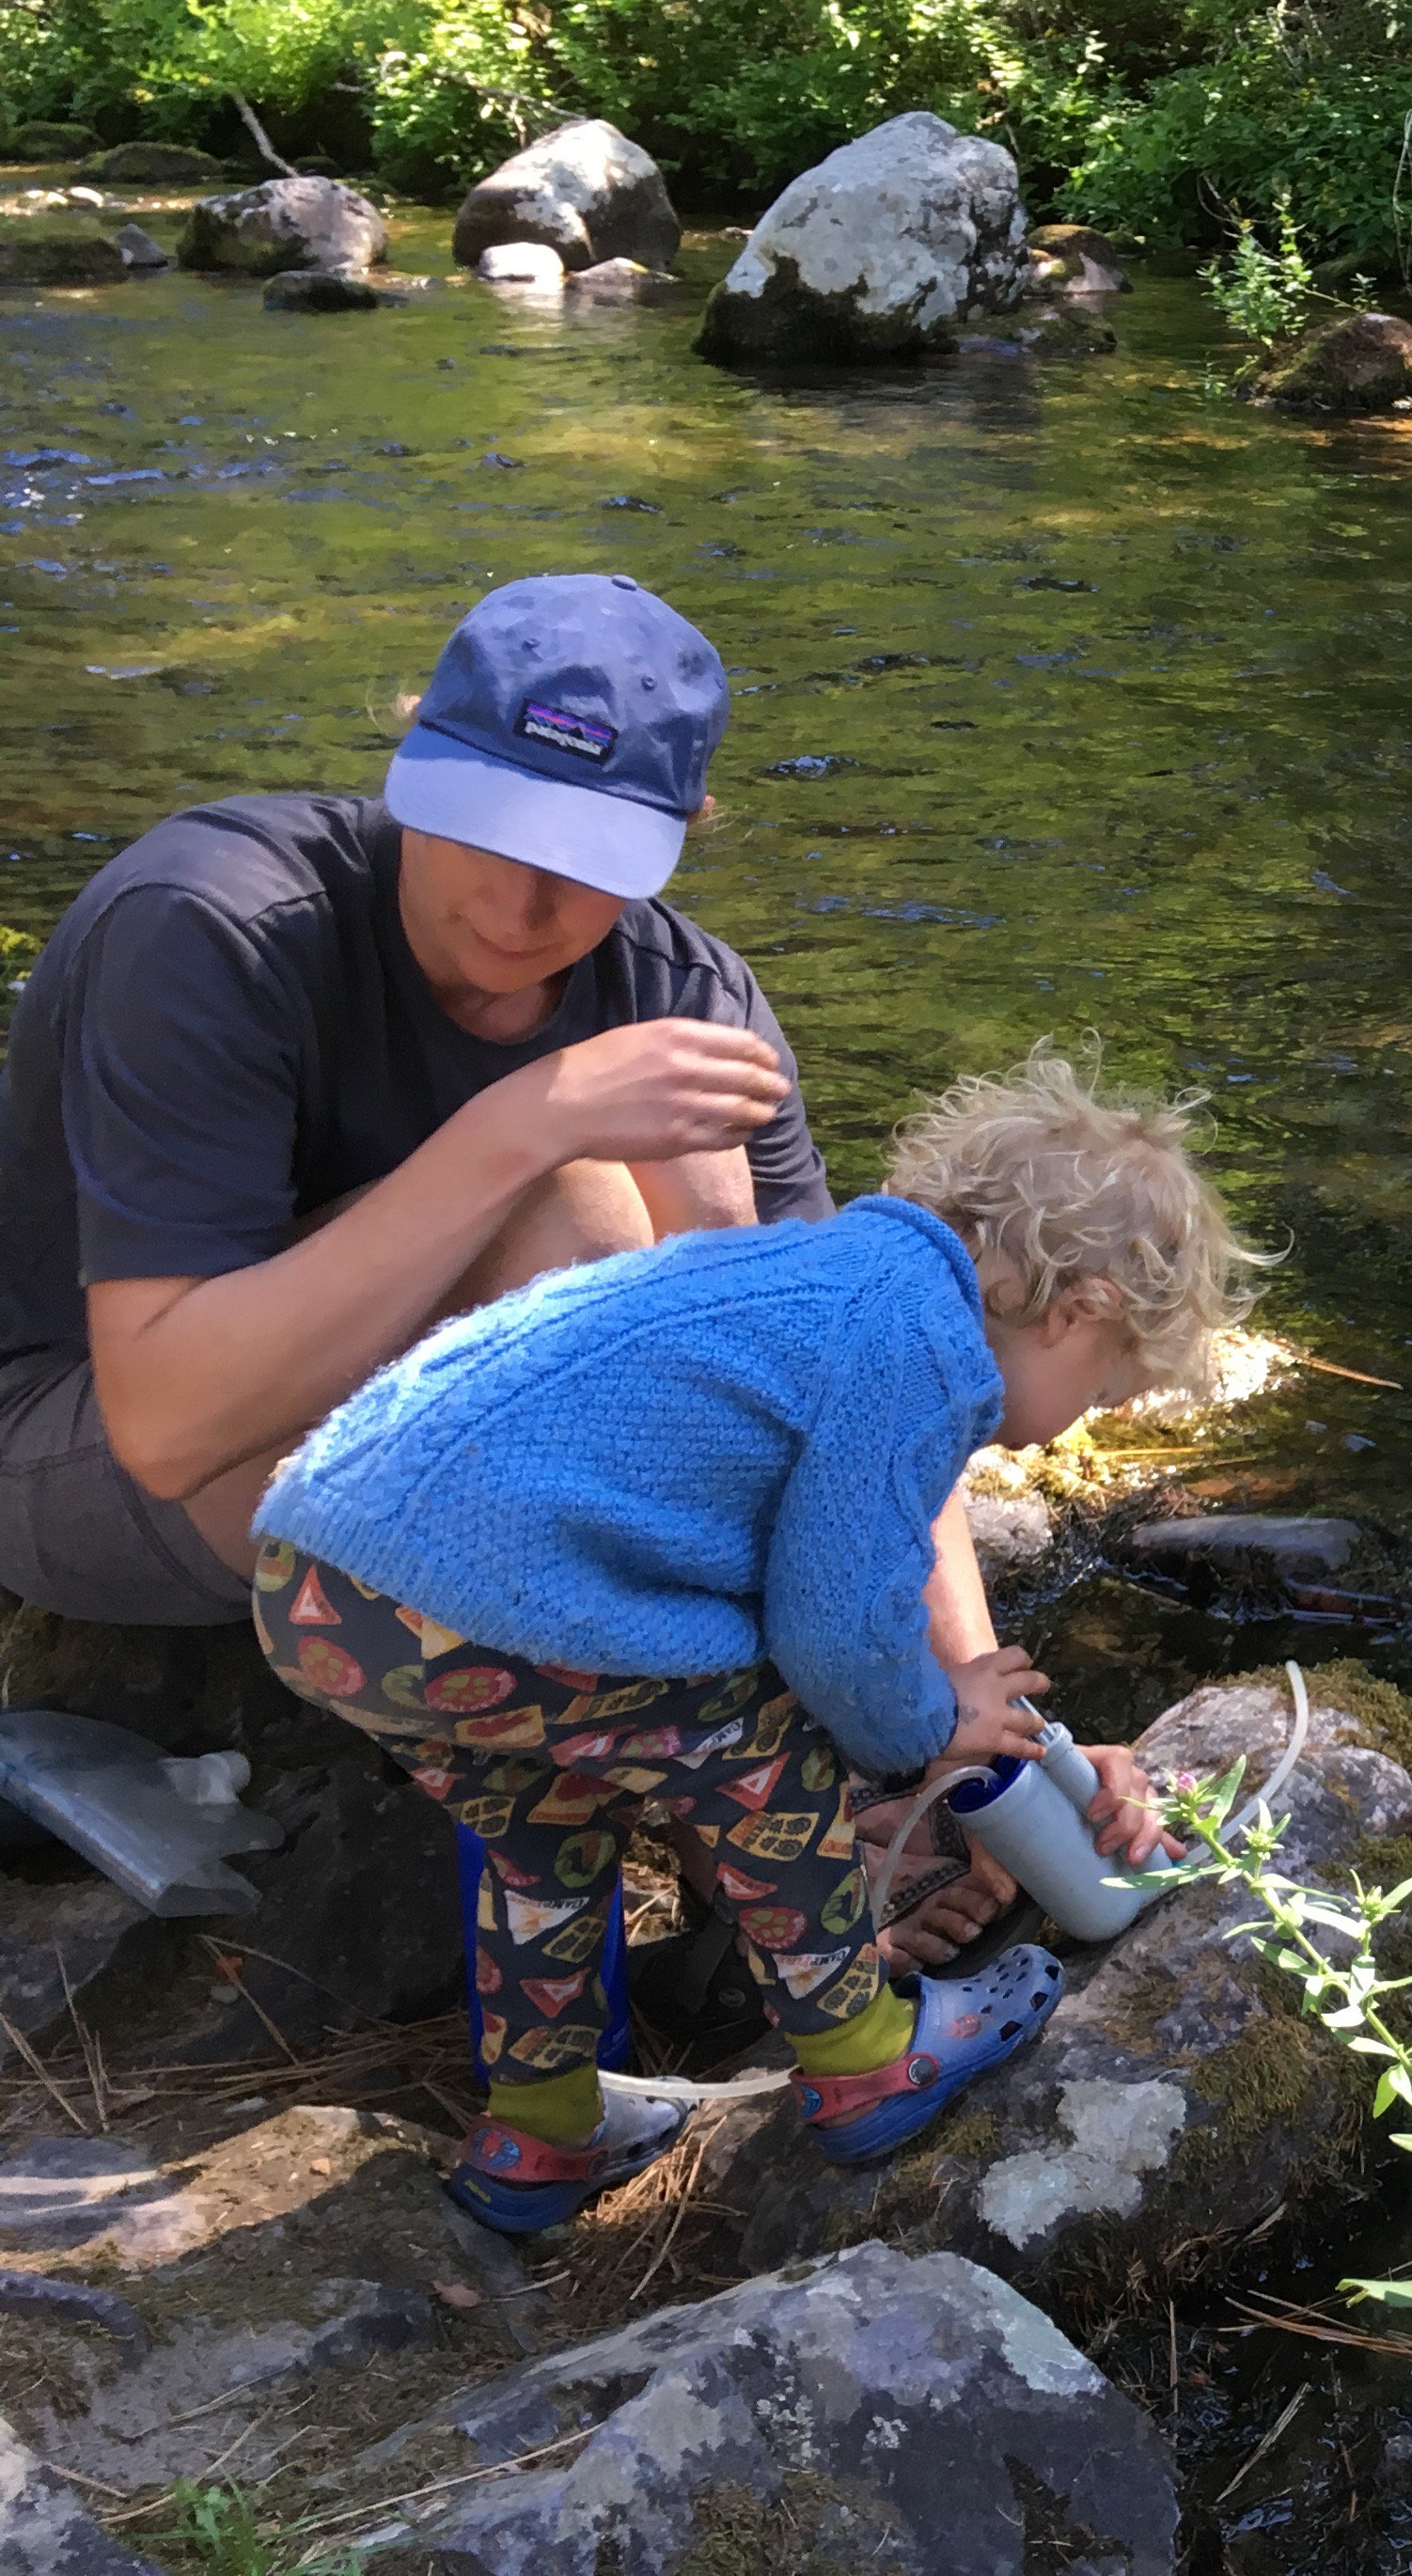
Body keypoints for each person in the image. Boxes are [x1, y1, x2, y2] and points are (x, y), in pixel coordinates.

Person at [0, 573, 1081, 1968]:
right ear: (412, 768)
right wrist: (521, 1124)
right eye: (488, 828)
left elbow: (854, 1378)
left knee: (709, 1180)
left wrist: (967, 1726)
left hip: (396, 1478)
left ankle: (804, 1812)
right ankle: (751, 1858)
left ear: (682, 833)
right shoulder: (214, 925)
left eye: (586, 855)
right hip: (71, 1438)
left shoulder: (687, 991)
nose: (521, 904)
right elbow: (162, 1427)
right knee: (574, 1210)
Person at [246, 1048, 1244, 2226]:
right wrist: (936, 1722)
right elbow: (833, 1626)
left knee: (547, 1828)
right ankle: (865, 2048)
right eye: (1107, 1389)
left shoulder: (821, 1274)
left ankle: (543, 2130)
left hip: (321, 1580)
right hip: (476, 1589)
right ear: (1082, 1310)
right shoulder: (916, 1343)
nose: (1074, 1427)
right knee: (762, 1731)